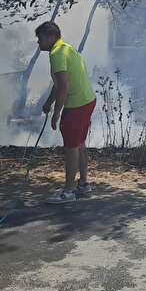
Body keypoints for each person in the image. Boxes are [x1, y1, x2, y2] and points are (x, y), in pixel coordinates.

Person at [35, 21, 97, 204]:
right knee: (79, 143)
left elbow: (63, 86)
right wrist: (48, 103)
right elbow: (59, 83)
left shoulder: (57, 54)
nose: (38, 43)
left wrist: (56, 114)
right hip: (87, 99)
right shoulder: (66, 49)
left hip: (77, 104)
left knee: (71, 147)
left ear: (50, 38)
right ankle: (83, 184)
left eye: (40, 39)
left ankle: (68, 192)